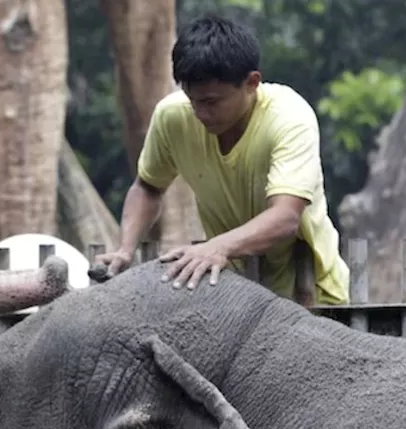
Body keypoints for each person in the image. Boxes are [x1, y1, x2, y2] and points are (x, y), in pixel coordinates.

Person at [95, 14, 349, 305]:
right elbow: (148, 187)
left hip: (311, 297)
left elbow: (285, 217)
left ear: (252, 82)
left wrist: (216, 247)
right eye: (194, 101)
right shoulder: (172, 117)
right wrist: (126, 249)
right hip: (235, 298)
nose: (202, 113)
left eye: (212, 102)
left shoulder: (289, 118)